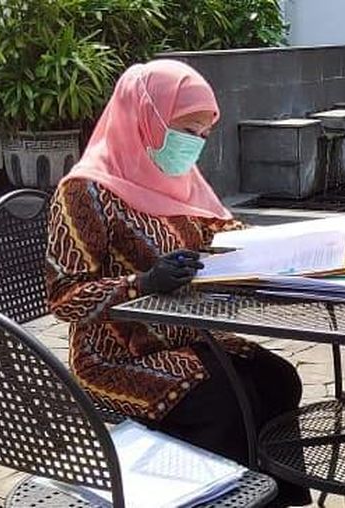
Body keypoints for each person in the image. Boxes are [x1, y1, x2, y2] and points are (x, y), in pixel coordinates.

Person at [45, 59, 312, 507]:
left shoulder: (177, 180)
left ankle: (272, 501)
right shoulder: (84, 192)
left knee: (277, 379)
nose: (195, 144)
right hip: (114, 356)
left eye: (204, 134)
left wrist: (282, 247)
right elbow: (63, 297)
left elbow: (220, 233)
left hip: (188, 336)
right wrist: (142, 283)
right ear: (146, 117)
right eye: (187, 129)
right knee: (222, 402)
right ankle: (216, 499)